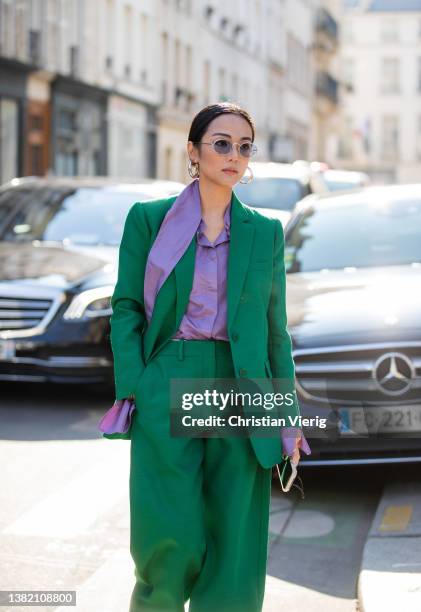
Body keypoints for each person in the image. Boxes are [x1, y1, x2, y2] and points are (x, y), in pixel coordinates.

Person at [107, 102, 311, 612]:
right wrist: (136, 386)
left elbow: (273, 333)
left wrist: (285, 415)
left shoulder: (264, 231)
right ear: (193, 151)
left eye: (244, 146)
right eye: (221, 143)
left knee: (235, 535)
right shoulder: (148, 220)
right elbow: (127, 307)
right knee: (167, 527)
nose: (234, 155)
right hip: (169, 375)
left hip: (242, 385)